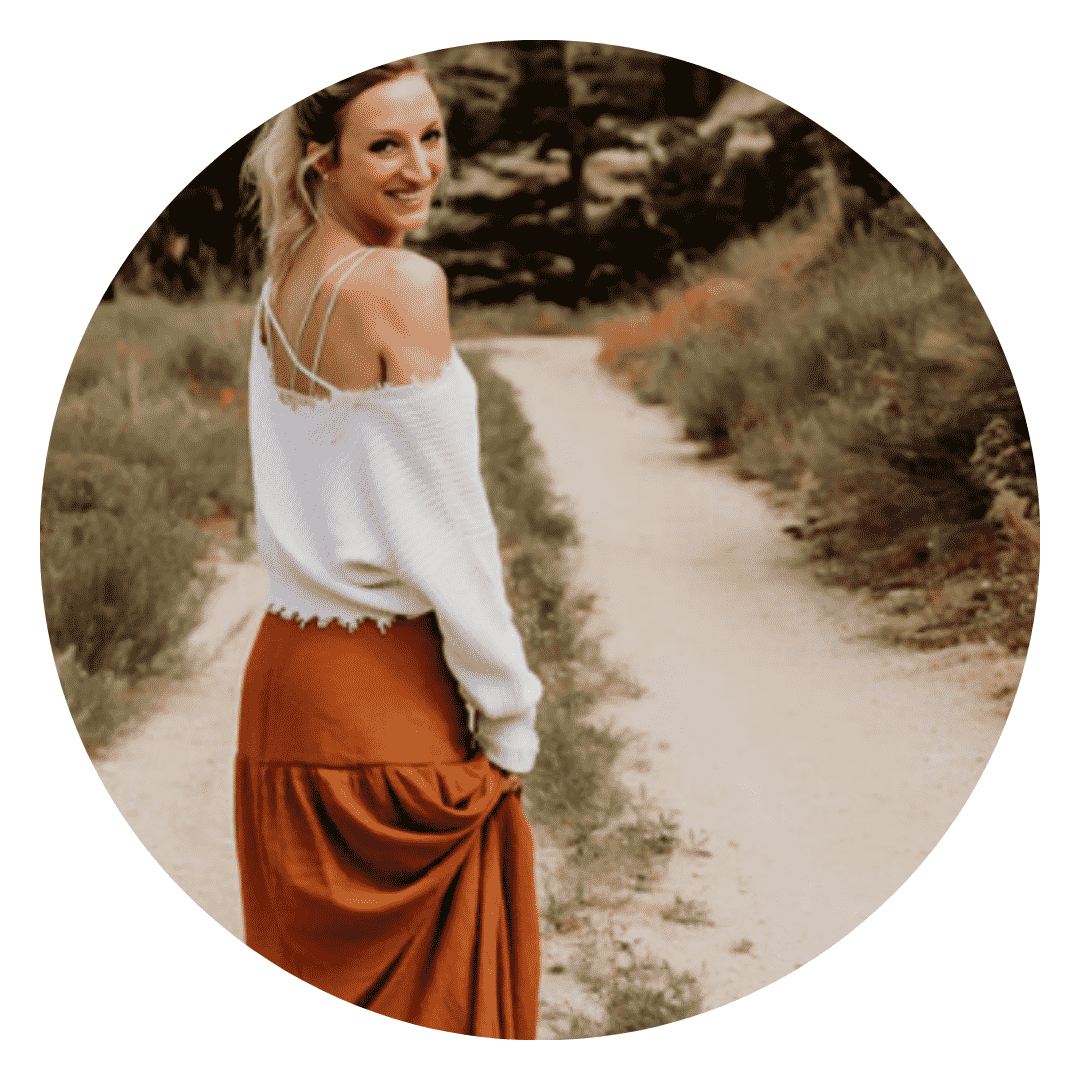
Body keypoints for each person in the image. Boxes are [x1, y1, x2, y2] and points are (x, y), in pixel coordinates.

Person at [235, 57, 543, 1039]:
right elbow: (452, 534)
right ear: (321, 156)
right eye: (386, 145)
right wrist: (510, 714)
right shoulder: (403, 284)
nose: (421, 168)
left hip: (283, 699)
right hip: (382, 715)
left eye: (433, 135)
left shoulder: (284, 276)